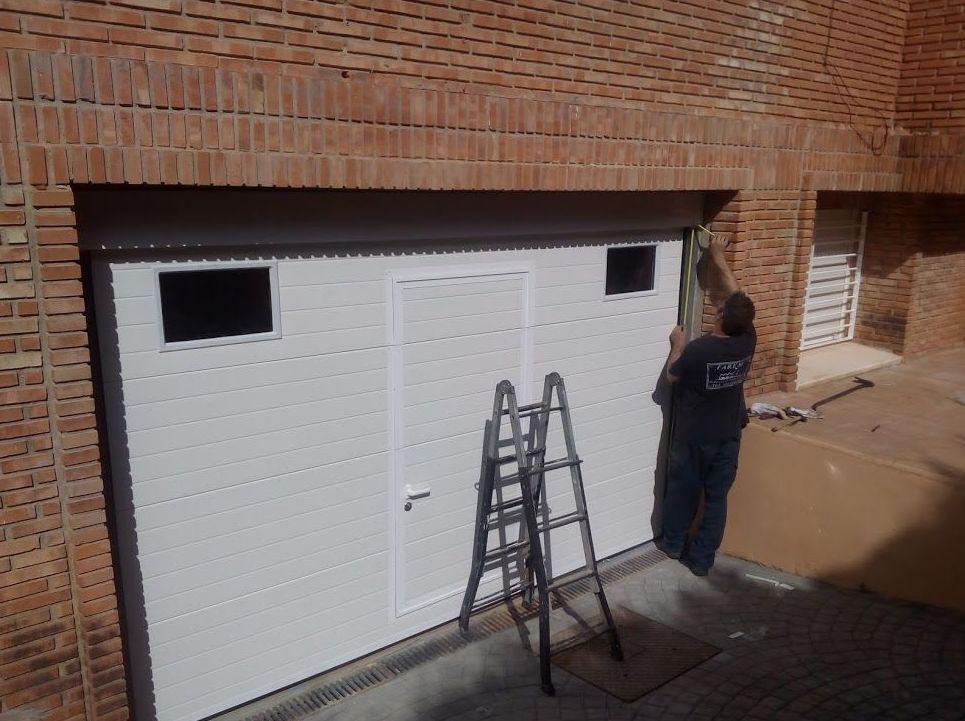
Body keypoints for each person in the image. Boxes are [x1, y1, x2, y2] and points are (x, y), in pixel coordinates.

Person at [660, 235, 756, 576]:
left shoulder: (699, 350)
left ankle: (672, 543)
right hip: (728, 435)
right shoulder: (747, 339)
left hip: (694, 438)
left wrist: (677, 343)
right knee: (716, 501)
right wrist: (717, 256)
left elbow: (672, 377)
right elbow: (736, 296)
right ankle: (701, 560)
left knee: (684, 490)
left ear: (719, 317)